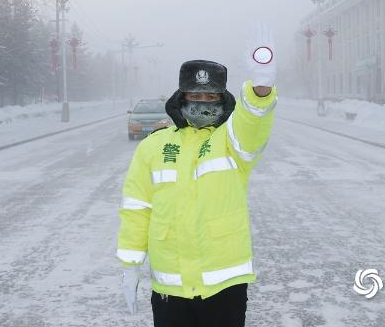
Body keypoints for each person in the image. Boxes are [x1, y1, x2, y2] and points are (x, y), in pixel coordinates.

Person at [117, 50, 277, 327]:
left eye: (211, 97)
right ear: (182, 98)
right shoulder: (154, 147)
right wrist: (130, 267)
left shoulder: (232, 142)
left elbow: (254, 123)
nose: (203, 103)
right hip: (170, 286)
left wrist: (260, 92)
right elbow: (137, 209)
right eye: (196, 96)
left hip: (224, 285)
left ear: (223, 101)